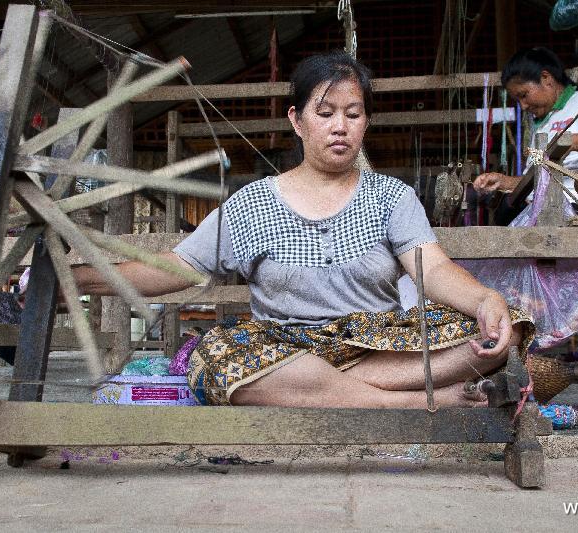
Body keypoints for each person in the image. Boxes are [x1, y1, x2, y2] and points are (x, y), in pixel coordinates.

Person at [74, 52, 533, 408]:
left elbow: (432, 268)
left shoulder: (391, 196)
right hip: (284, 347)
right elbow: (177, 268)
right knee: (215, 357)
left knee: (503, 331)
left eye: (353, 115)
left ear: (366, 123)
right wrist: (78, 280)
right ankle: (420, 403)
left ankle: (329, 392)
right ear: (296, 120)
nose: (340, 128)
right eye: (325, 112)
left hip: (377, 348)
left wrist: (485, 300)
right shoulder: (251, 204)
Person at [473, 47, 578, 223]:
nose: (523, 106)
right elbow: (539, 180)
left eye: (524, 95)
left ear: (546, 78)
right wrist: (504, 182)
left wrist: (571, 141)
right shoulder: (542, 125)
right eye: (518, 100)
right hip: (541, 211)